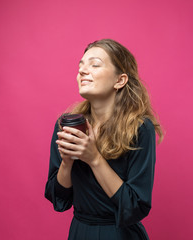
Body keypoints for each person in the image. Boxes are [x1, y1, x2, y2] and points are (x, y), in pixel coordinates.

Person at [44, 39, 164, 240]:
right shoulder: (67, 124)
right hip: (79, 232)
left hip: (119, 235)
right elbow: (58, 198)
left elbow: (135, 205)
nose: (82, 71)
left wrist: (94, 158)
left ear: (120, 80)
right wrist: (67, 162)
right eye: (80, 65)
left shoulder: (140, 128)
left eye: (95, 64)